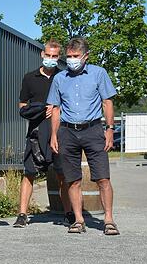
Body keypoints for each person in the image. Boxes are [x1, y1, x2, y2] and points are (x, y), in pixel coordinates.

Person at [49, 37, 119, 235]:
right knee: (72, 179)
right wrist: (54, 135)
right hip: (67, 131)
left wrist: (110, 129)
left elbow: (107, 102)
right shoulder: (59, 78)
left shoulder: (99, 74)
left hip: (93, 129)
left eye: (76, 56)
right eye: (69, 56)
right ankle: (78, 220)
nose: (71, 60)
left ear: (86, 56)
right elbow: (55, 109)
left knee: (102, 178)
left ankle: (108, 220)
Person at [13, 39, 73, 228]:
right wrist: (41, 109)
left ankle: (69, 213)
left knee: (63, 175)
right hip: (36, 133)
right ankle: (22, 214)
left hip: (59, 133)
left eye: (55, 56)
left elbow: (70, 105)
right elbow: (22, 107)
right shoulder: (29, 78)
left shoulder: (64, 77)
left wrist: (57, 111)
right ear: (42, 55)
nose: (51, 59)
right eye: (48, 55)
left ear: (59, 57)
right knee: (29, 173)